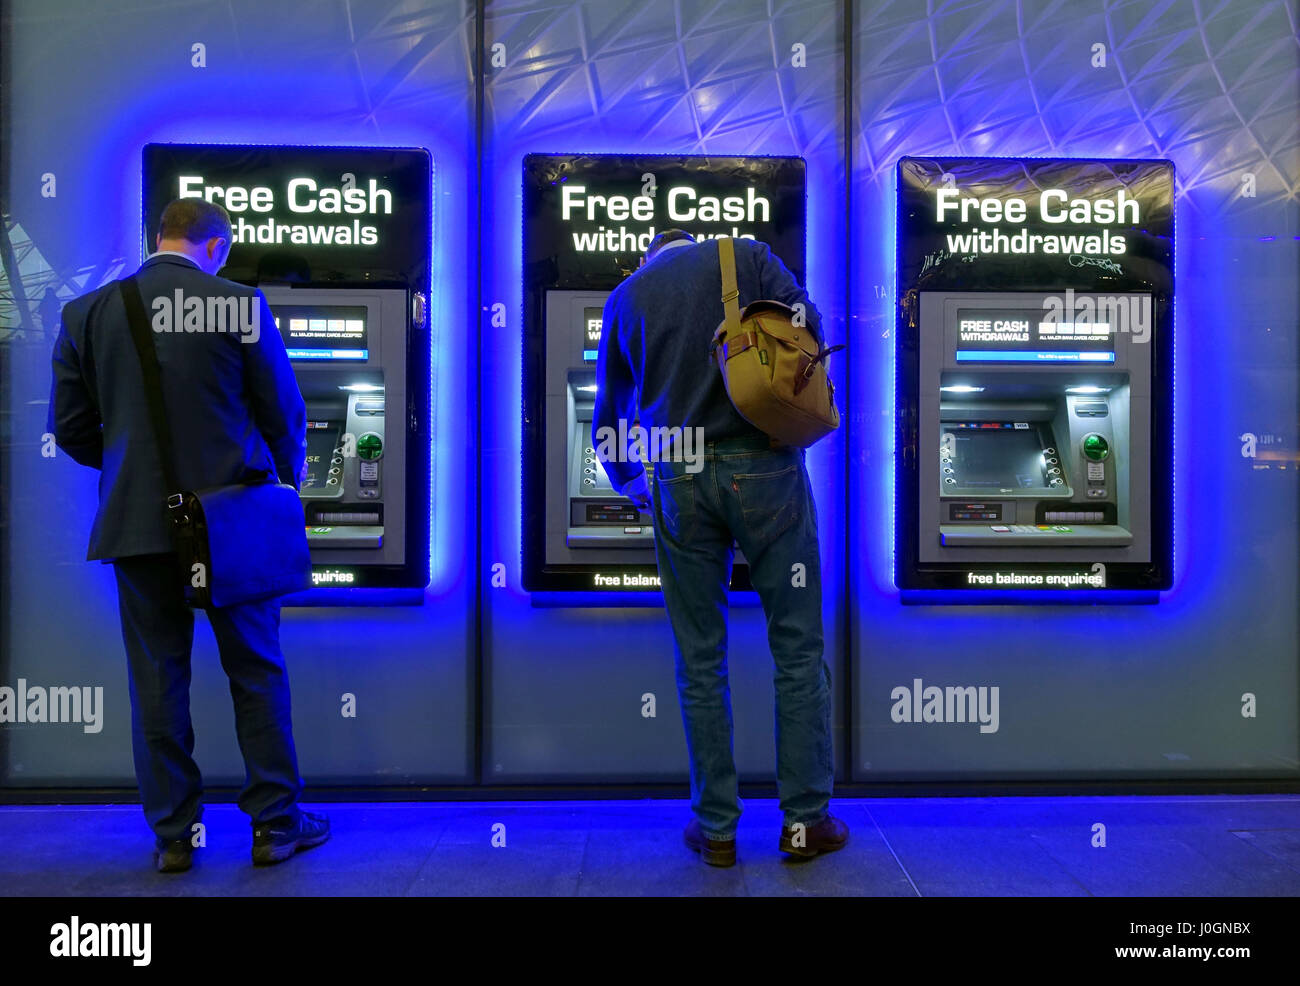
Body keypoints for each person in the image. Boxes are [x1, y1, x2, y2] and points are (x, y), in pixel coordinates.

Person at [48, 198, 329, 872]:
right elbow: (283, 413)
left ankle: (174, 834)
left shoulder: (87, 313)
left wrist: (132, 471)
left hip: (138, 524)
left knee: (157, 678)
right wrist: (279, 485)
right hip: (232, 520)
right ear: (217, 247)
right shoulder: (237, 304)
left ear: (157, 240)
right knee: (256, 670)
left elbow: (72, 428)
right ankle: (275, 825)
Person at [594, 230, 846, 866]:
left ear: (652, 253)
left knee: (700, 658)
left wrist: (634, 485)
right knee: (797, 647)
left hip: (679, 479)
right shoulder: (748, 257)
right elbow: (807, 324)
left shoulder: (625, 297)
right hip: (765, 470)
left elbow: (607, 421)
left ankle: (716, 828)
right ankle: (804, 823)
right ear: (693, 243)